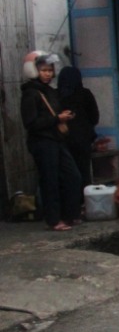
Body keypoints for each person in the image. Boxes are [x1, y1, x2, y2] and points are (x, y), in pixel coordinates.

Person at [20, 52, 82, 231]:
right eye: (43, 70)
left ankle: (70, 214)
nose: (47, 74)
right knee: (50, 181)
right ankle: (54, 220)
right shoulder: (31, 93)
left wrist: (66, 116)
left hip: (56, 140)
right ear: (35, 71)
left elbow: (55, 113)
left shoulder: (50, 91)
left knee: (73, 176)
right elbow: (30, 123)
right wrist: (57, 119)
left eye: (50, 70)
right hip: (42, 142)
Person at [57, 66, 100, 191]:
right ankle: (85, 201)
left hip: (63, 140)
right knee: (83, 172)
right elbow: (94, 118)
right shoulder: (85, 94)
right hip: (83, 141)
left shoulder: (56, 95)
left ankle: (71, 202)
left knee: (66, 173)